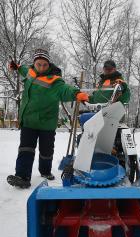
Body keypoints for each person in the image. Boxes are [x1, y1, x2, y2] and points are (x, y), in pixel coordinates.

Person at [7, 49, 89, 189]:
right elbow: (24, 69)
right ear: (34, 64)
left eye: (44, 64)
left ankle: (45, 171)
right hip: (29, 120)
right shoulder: (30, 71)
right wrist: (17, 67)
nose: (42, 67)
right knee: (25, 149)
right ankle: (22, 176)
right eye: (39, 64)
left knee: (46, 151)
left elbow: (65, 90)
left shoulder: (54, 80)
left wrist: (77, 94)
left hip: (47, 123)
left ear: (48, 64)